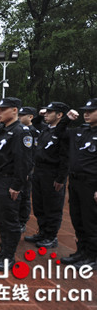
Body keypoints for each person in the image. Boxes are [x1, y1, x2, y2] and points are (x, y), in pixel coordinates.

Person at [0, 97, 33, 271]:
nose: (0, 112)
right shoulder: (1, 129)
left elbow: (23, 162)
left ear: (15, 110)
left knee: (10, 220)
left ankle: (9, 256)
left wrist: (17, 186)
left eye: (4, 109)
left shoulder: (21, 132)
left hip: (9, 181)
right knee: (0, 219)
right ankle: (2, 251)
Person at [25, 102, 69, 249]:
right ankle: (42, 232)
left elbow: (65, 158)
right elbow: (35, 122)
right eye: (46, 112)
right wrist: (40, 114)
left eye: (50, 112)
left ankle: (51, 236)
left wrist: (61, 178)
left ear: (59, 115)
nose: (47, 115)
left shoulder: (63, 133)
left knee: (52, 206)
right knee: (39, 205)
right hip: (39, 172)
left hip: (52, 173)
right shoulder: (46, 130)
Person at [59, 99, 97, 269]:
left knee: (91, 222)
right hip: (75, 182)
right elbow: (59, 134)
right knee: (77, 219)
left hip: (91, 183)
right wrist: (66, 119)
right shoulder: (81, 131)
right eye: (85, 111)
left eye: (91, 111)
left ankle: (92, 257)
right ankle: (81, 252)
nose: (86, 114)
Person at [17, 106, 40, 233]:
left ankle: (22, 221)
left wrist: (27, 171)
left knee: (24, 195)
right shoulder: (18, 130)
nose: (19, 117)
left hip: (26, 169)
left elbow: (33, 154)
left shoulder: (33, 132)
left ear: (30, 117)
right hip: (17, 168)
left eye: (22, 115)